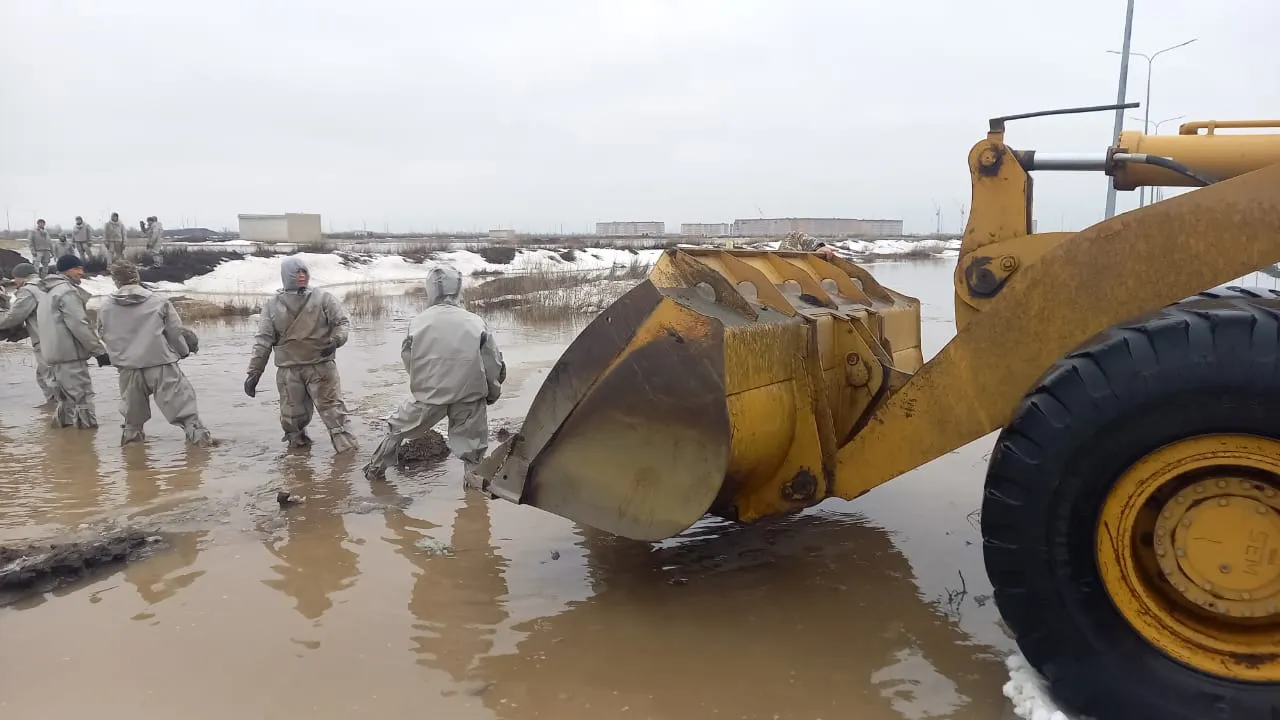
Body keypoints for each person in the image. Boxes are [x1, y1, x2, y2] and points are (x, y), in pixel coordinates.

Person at [362, 265, 505, 482]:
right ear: (457, 288)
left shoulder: (418, 322)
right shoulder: (474, 322)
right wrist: (493, 392)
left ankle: (374, 473)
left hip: (429, 396)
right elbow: (492, 362)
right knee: (473, 453)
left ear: (431, 289)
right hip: (469, 398)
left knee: (396, 429)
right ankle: (474, 501)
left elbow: (408, 359)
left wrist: (422, 384)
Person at [244, 256, 358, 453]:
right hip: (289, 371)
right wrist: (254, 372)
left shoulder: (323, 298)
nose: (302, 276)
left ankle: (347, 457)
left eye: (304, 272)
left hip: (321, 366)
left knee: (333, 411)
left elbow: (342, 323)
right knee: (292, 416)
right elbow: (263, 341)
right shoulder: (272, 306)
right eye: (297, 273)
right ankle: (298, 459)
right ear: (286, 276)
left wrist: (336, 340)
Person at [97, 262, 214, 446]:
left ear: (115, 281)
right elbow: (174, 332)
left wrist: (120, 354)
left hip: (128, 368)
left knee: (132, 420)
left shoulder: (105, 308)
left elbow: (103, 334)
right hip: (160, 364)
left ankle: (134, 462)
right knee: (186, 414)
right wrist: (183, 352)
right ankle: (201, 453)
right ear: (137, 276)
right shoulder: (158, 302)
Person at [38, 255, 109, 428]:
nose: (81, 273)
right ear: (68, 270)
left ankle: (66, 445)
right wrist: (99, 351)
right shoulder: (67, 292)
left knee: (65, 401)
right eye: (78, 268)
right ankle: (88, 444)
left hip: (53, 356)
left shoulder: (48, 292)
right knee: (82, 399)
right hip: (70, 356)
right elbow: (79, 325)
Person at [0, 263, 57, 408]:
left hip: (44, 339)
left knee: (48, 375)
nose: (15, 282)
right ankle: (54, 405)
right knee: (46, 374)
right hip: (57, 336)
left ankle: (59, 409)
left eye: (15, 279)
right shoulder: (46, 286)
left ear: (21, 277)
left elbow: (14, 317)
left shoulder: (28, 290)